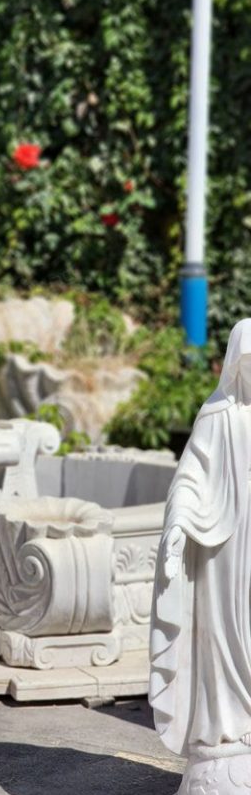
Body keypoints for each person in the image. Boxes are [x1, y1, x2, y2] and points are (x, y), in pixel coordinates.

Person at [150, 318, 251, 756]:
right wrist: (177, 527)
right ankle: (226, 723)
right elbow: (190, 477)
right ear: (236, 364)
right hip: (224, 543)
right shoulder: (219, 415)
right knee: (225, 635)